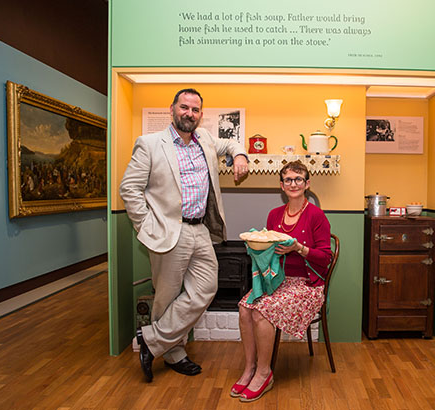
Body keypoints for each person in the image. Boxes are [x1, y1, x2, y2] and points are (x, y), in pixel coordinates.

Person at [119, 88, 249, 382]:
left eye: (195, 109)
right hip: (168, 231)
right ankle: (173, 352)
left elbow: (230, 143)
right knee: (166, 297)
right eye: (184, 107)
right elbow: (129, 188)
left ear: (201, 115)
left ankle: (151, 340)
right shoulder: (150, 144)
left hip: (200, 229)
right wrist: (147, 225)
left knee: (205, 288)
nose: (189, 113)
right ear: (172, 109)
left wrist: (239, 154)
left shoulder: (204, 139)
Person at [231, 161, 332, 402]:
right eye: (288, 179)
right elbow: (268, 249)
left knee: (261, 312)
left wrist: (299, 248)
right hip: (278, 280)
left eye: (299, 179)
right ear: (281, 185)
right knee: (245, 307)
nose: (293, 183)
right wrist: (257, 246)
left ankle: (265, 373)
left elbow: (325, 258)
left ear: (307, 183)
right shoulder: (274, 215)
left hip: (307, 284)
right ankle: (250, 368)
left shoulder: (317, 215)